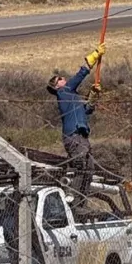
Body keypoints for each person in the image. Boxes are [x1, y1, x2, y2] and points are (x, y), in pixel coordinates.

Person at [47, 42, 106, 202]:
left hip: (82, 135)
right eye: (60, 79)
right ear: (56, 86)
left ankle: (82, 201)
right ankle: (74, 198)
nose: (63, 79)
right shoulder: (63, 92)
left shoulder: (73, 96)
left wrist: (93, 97)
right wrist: (93, 57)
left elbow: (87, 110)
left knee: (89, 169)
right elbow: (79, 76)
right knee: (81, 166)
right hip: (73, 137)